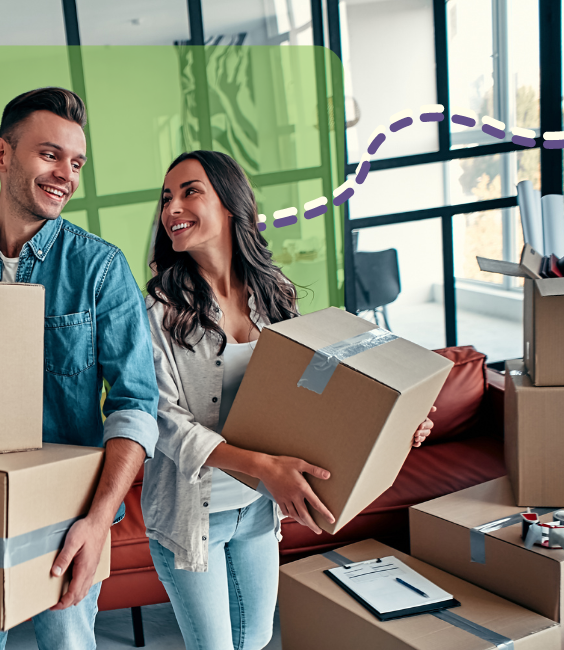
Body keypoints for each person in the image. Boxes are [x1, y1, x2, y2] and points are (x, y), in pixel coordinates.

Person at [141, 150, 435, 650]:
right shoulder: (159, 312)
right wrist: (263, 466)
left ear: (231, 205)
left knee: (254, 640)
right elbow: (164, 421)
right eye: (168, 197)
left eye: (191, 191)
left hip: (257, 507)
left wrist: (392, 420)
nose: (173, 208)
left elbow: (314, 395)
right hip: (193, 515)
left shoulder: (274, 294)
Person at [0, 87, 159, 650]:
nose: (65, 175)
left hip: (64, 519)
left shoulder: (100, 269)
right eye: (50, 155)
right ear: (3, 155)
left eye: (76, 163)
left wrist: (98, 523)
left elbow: (135, 407)